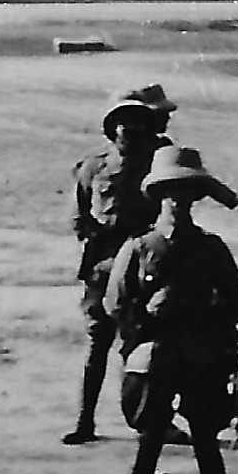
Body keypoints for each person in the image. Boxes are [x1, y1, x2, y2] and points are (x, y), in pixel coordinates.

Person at [98, 146, 238, 474]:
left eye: (186, 193)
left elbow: (237, 303)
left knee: (206, 444)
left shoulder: (211, 248)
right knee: (149, 445)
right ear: (158, 195)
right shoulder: (140, 247)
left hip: (200, 355)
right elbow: (117, 303)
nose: (178, 201)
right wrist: (143, 328)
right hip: (157, 357)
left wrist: (207, 322)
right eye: (170, 192)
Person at [64, 96, 166, 445]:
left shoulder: (158, 164)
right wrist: (95, 240)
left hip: (143, 264)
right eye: (123, 123)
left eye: (137, 124)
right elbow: (79, 212)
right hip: (104, 266)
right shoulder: (94, 165)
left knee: (144, 344)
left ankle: (151, 421)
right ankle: (85, 421)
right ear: (112, 128)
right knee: (98, 344)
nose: (129, 130)